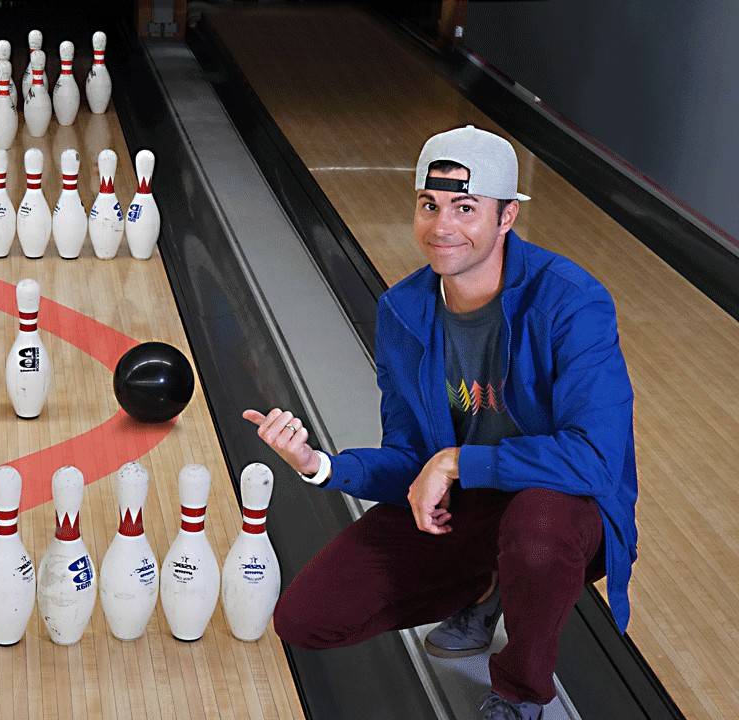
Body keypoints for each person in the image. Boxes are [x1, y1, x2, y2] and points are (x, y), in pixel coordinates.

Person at [244, 125, 637, 720]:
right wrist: (320, 464)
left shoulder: (571, 301)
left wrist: (457, 461)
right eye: (429, 205)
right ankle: (486, 584)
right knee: (306, 619)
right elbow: (409, 457)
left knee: (536, 531)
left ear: (506, 217)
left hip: (559, 506)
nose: (442, 226)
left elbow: (596, 460)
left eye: (465, 207)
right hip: (468, 504)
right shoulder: (402, 310)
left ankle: (520, 691)